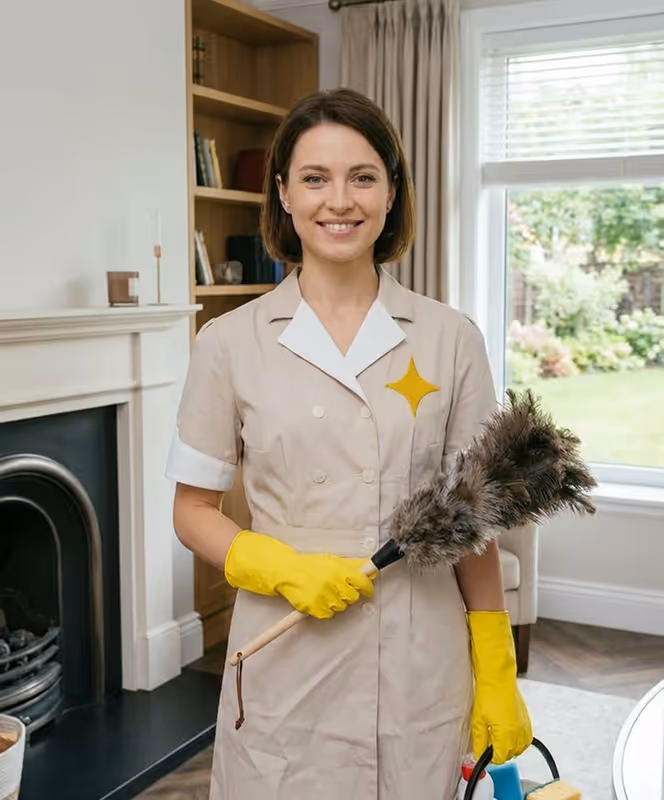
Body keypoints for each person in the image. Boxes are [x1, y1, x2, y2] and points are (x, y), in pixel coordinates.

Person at [165, 87, 532, 800]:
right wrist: (277, 565)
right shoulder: (228, 343)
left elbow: (473, 521)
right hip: (284, 649)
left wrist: (495, 664)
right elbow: (192, 511)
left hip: (420, 656)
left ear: (392, 191)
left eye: (363, 176)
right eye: (315, 178)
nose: (340, 200)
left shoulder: (451, 339)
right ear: (283, 194)